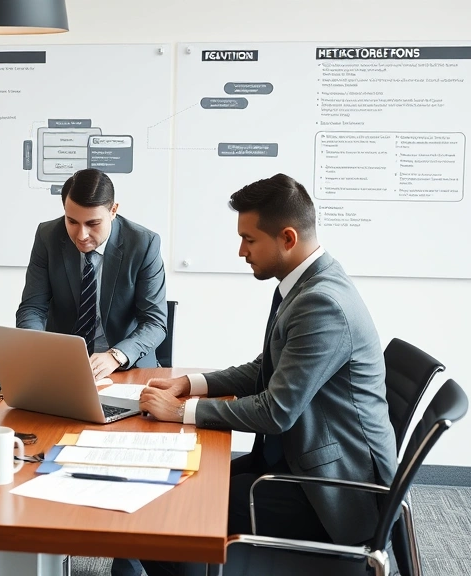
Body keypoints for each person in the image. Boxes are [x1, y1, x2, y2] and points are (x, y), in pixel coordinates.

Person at [139, 174, 397, 575]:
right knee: (173, 485)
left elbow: (276, 411)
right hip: (296, 463)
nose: (241, 251)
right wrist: (191, 385)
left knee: (169, 507)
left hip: (330, 495)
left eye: (249, 239)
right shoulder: (307, 282)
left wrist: (181, 413)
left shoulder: (322, 303)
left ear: (288, 238)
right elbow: (267, 368)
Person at [16, 168, 168, 380]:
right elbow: (33, 307)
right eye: (72, 221)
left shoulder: (143, 244)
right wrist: (38, 349)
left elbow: (155, 322)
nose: (81, 235)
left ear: (113, 210)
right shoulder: (47, 236)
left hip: (126, 367)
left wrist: (115, 356)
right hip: (63, 366)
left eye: (93, 223)